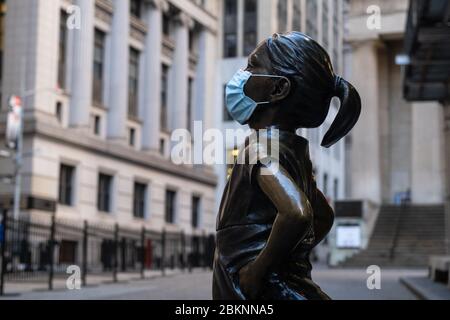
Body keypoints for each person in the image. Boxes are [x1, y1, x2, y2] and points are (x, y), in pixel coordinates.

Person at [213, 32, 361, 300]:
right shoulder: (295, 151)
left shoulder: (259, 149)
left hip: (259, 289)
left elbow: (297, 212)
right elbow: (324, 216)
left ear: (278, 89)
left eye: (252, 66)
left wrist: (257, 270)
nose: (243, 74)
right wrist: (287, 252)